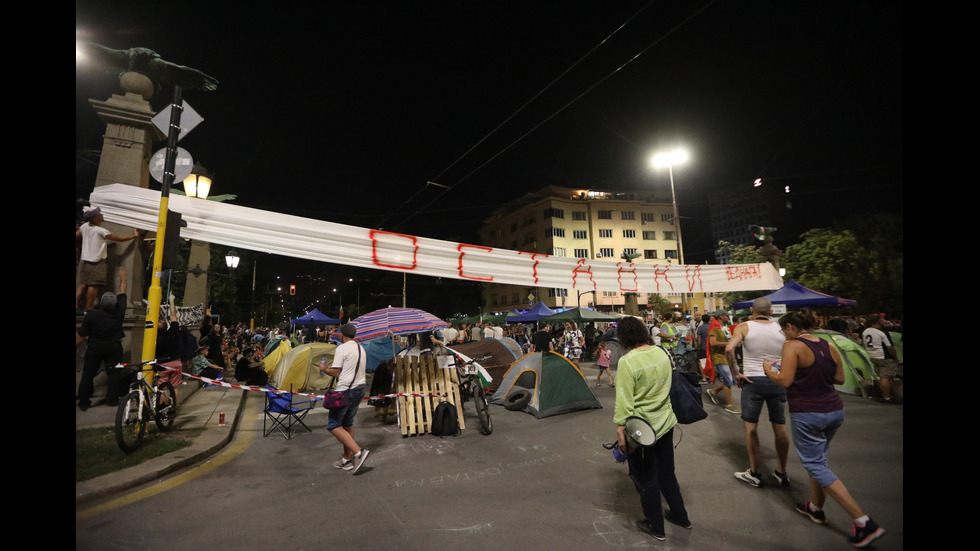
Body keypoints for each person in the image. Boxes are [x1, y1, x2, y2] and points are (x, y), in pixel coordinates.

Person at [764, 309, 886, 549]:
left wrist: (770, 370)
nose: (783, 334)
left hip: (809, 413)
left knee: (815, 464)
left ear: (790, 327)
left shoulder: (793, 346)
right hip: (833, 409)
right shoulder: (828, 345)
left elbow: (785, 380)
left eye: (783, 329)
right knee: (818, 460)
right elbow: (839, 378)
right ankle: (816, 508)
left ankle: (863, 522)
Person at [613, 315, 691, 541]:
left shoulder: (628, 362)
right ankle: (680, 516)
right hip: (666, 422)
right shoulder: (661, 352)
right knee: (667, 473)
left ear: (623, 337)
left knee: (645, 478)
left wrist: (620, 430)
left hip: (641, 430)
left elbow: (624, 402)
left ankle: (655, 525)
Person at [725, 298, 791, 488]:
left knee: (750, 427)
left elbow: (729, 348)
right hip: (776, 379)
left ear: (752, 309)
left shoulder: (744, 327)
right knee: (780, 426)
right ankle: (781, 471)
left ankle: (754, 472)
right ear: (771, 311)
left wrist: (736, 373)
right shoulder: (781, 327)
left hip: (753, 380)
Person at [76, 266, 130, 411]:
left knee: (88, 374)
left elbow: (82, 335)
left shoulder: (92, 316)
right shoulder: (119, 311)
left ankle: (83, 401)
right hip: (114, 346)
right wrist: (123, 277)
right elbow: (122, 291)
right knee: (113, 374)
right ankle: (112, 400)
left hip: (95, 346)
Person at [320, 323, 370, 474]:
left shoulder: (341, 348)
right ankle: (346, 460)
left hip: (345, 391)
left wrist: (324, 369)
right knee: (348, 423)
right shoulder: (361, 348)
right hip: (360, 388)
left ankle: (358, 452)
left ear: (342, 335)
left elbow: (335, 372)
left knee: (333, 424)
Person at [75, 207, 140, 312]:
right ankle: (89, 308)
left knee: (82, 284)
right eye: (99, 214)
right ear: (96, 219)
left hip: (85, 261)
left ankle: (76, 306)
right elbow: (119, 239)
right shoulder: (101, 231)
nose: (102, 214)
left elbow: (77, 236)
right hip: (96, 261)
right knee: (93, 285)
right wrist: (134, 236)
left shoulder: (84, 226)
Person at [705, 310, 740, 415]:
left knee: (732, 380)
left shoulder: (725, 328)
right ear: (721, 316)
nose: (728, 317)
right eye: (726, 316)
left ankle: (713, 391)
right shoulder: (714, 328)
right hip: (720, 357)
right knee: (728, 380)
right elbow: (713, 343)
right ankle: (729, 405)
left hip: (727, 357)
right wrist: (730, 343)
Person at [861, 314, 900, 404]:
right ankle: (887, 397)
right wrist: (895, 357)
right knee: (885, 377)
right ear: (879, 322)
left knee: (878, 376)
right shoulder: (882, 332)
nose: (884, 320)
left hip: (872, 356)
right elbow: (890, 347)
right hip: (884, 356)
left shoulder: (865, 331)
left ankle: (881, 394)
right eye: (882, 319)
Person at [694, 314, 711, 381]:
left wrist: (698, 346)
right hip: (711, 347)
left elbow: (699, 339)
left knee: (700, 361)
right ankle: (711, 376)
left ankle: (704, 377)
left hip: (703, 347)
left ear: (702, 320)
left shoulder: (700, 328)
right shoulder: (712, 327)